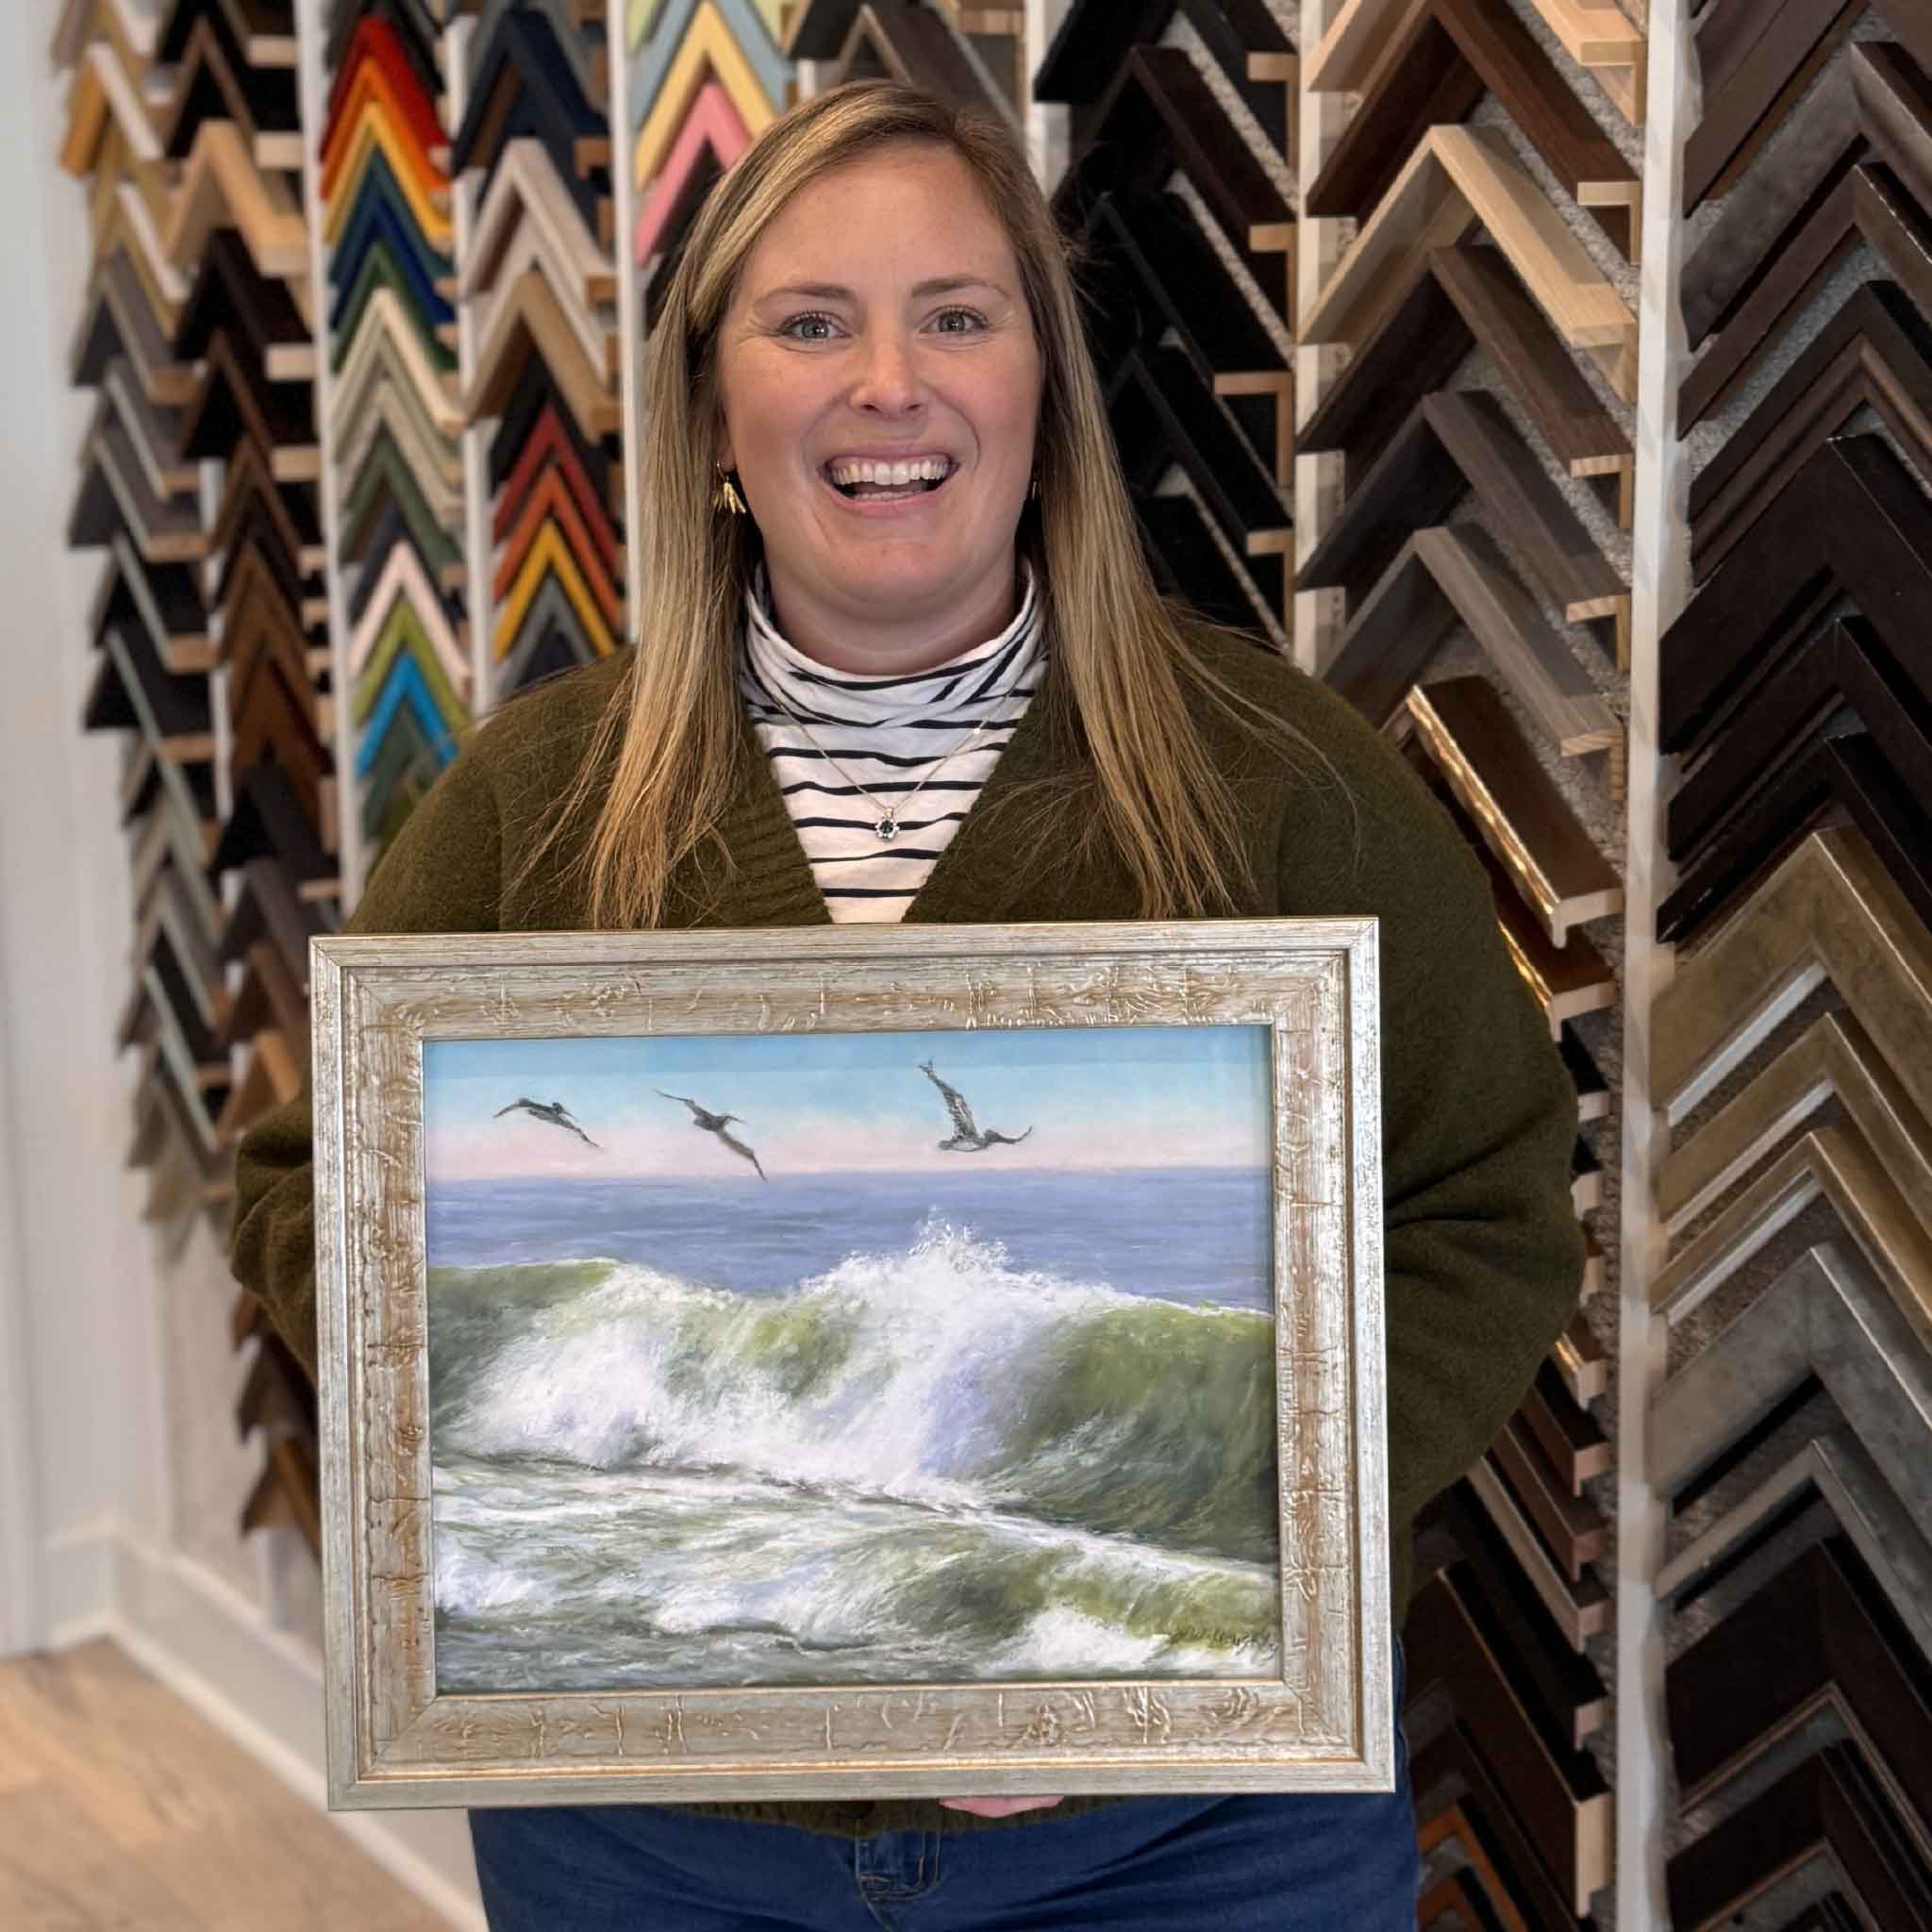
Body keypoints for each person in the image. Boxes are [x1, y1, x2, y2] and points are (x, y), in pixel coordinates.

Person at [230, 80, 1584, 1932]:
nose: (890, 383)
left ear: (1042, 386)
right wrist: (532, 1440)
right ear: (716, 405)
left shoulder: (1275, 777)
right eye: (810, 322)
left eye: (957, 313)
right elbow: (307, 1189)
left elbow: (1483, 1212)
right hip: (653, 1841)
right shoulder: (535, 798)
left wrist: (1199, 1563)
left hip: (1193, 1837)